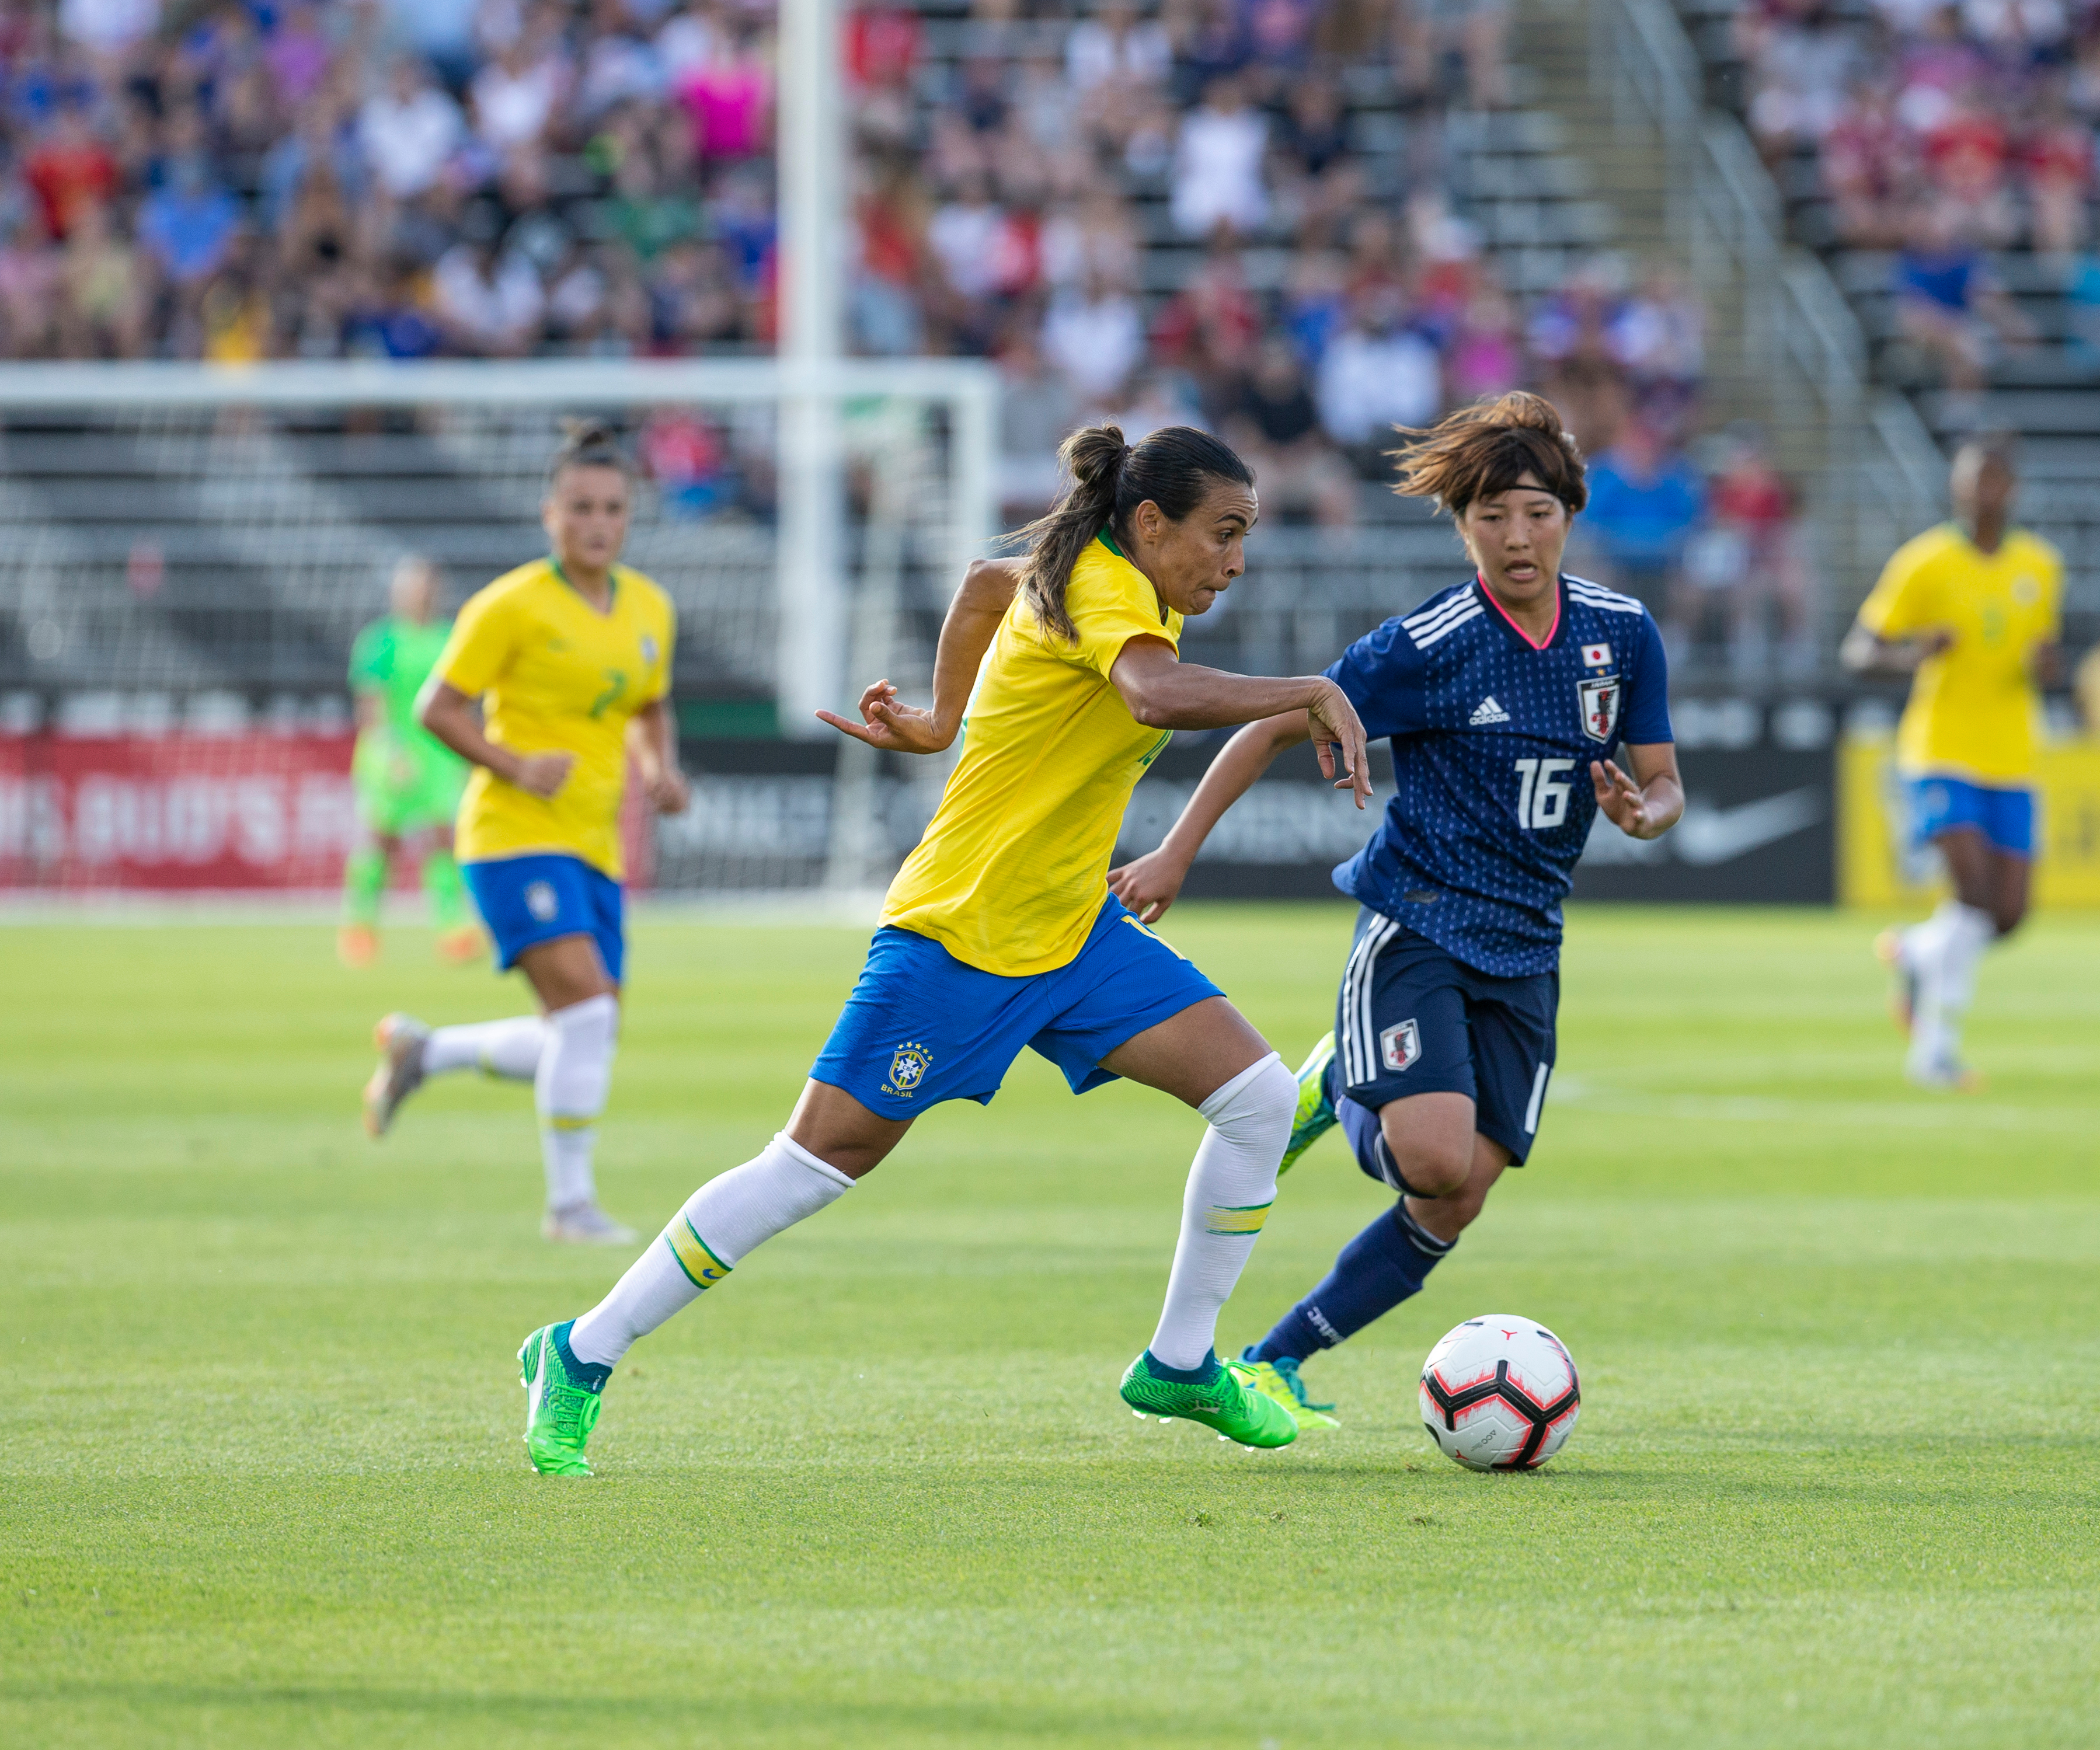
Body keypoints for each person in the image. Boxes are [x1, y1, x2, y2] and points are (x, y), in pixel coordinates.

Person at [509, 423, 1378, 1477]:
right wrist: (1304, 688)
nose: (1236, 561)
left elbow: (979, 583)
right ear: (1149, 524)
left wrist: (940, 720)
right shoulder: (1108, 593)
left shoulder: (1093, 577)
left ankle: (1179, 1363)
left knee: (1252, 1100)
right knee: (815, 1163)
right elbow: (1153, 696)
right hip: (961, 933)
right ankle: (581, 1350)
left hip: (1069, 930)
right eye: (1223, 534)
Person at [1108, 392, 1685, 1427]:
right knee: (1426, 1151)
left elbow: (1663, 781)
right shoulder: (1432, 643)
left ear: (1571, 513)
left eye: (1538, 512)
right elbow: (1277, 723)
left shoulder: (1621, 634)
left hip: (1527, 948)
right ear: (1461, 523)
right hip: (1417, 922)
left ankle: (1278, 1359)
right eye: (1492, 515)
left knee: (1455, 1193)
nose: (1516, 536)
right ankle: (1343, 1078)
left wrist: (1646, 815)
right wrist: (1176, 849)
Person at [359, 423, 689, 1247]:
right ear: (551, 515)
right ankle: (570, 1208)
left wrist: (659, 766)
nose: (597, 522)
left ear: (629, 515)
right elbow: (436, 705)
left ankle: (424, 1053)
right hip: (510, 834)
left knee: (585, 1028)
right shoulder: (508, 605)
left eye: (613, 508)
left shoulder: (650, 606)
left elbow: (649, 702)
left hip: (594, 845)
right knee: (585, 1019)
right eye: (580, 507)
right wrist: (509, 763)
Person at [1843, 435, 2063, 1091]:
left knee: (2008, 916)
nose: (1982, 491)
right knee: (1970, 893)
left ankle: (1916, 950)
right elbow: (1858, 651)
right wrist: (1913, 653)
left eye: (1993, 479)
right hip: (1939, 748)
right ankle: (1934, 1053)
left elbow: (2040, 654)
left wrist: (2047, 667)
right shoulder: (1926, 562)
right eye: (1972, 480)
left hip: (2013, 753)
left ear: (2011, 489)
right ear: (1957, 489)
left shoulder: (2041, 567)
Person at [339, 556, 479, 968]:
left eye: (425, 586)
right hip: (391, 753)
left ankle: (451, 929)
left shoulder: (450, 638)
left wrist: (470, 751)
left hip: (439, 754)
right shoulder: (380, 640)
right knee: (382, 841)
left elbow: (464, 699)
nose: (419, 594)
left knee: (443, 841)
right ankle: (359, 926)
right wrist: (392, 751)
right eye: (411, 586)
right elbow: (370, 705)